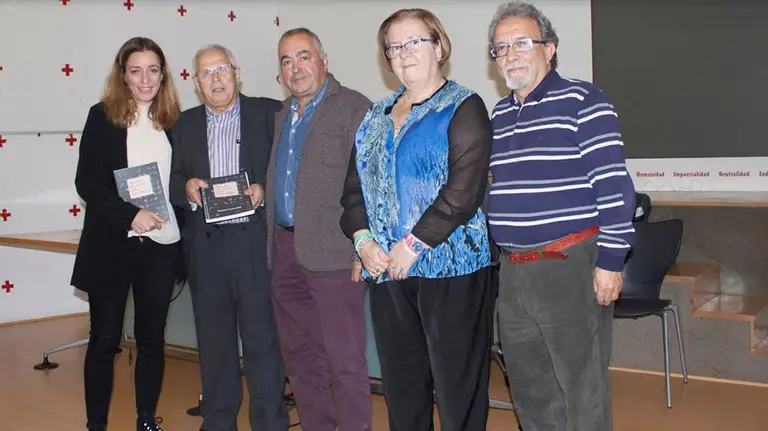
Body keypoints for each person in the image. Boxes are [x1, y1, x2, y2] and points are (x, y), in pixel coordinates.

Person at [340, 8, 495, 431]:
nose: (404, 53)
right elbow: (353, 192)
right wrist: (363, 241)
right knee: (404, 386)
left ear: (439, 46)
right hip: (386, 272)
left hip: (452, 270)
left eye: (415, 42)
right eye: (394, 46)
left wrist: (412, 245)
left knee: (456, 388)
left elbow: (464, 191)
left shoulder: (464, 106)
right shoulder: (374, 116)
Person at [486, 2, 636, 430]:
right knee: (530, 391)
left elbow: (614, 186)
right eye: (501, 47)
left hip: (570, 266)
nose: (511, 54)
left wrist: (610, 262)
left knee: (581, 392)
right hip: (514, 273)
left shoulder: (584, 99)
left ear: (549, 49)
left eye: (522, 43)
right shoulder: (499, 115)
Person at [168, 44, 288, 431]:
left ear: (236, 72)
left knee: (262, 342)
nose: (216, 78)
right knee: (214, 341)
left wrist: (263, 190)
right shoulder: (182, 125)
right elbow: (169, 179)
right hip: (206, 247)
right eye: (206, 73)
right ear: (196, 83)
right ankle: (218, 420)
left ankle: (269, 421)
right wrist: (186, 187)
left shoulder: (270, 113)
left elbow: (287, 168)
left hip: (254, 243)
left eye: (222, 69)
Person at [70, 36, 185, 431]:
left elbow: (181, 183)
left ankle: (145, 419)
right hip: (113, 244)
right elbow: (87, 182)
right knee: (104, 339)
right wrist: (130, 215)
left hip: (162, 247)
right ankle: (96, 424)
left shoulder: (174, 121)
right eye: (136, 71)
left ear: (163, 74)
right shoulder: (102, 117)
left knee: (152, 340)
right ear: (123, 75)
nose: (145, 79)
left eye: (153, 70)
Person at [265, 28, 373, 431]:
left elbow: (369, 183)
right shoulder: (282, 116)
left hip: (335, 253)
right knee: (300, 359)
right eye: (287, 60)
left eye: (303, 56)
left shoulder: (354, 108)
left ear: (324, 60)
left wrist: (362, 247)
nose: (296, 67)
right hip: (285, 251)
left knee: (344, 362)